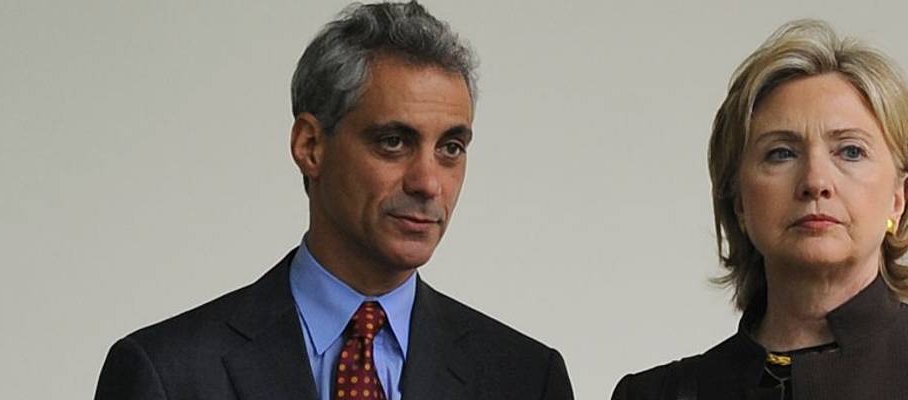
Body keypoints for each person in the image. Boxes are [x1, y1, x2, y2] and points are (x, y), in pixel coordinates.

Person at [94, 2, 574, 399]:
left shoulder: (527, 380)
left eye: (451, 148)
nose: (429, 182)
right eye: (393, 141)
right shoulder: (167, 375)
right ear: (311, 147)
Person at [611, 19, 908, 400]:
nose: (816, 181)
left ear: (901, 195)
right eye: (781, 153)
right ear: (738, 200)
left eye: (851, 151)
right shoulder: (651, 395)